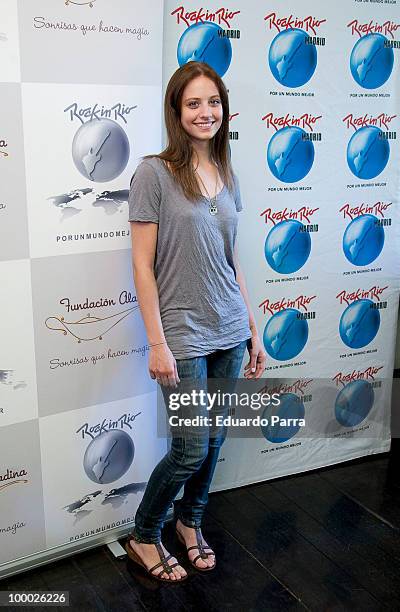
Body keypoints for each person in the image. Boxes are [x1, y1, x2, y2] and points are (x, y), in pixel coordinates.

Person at [126, 61, 266, 582]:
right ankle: (144, 533)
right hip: (182, 331)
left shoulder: (228, 172)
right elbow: (142, 264)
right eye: (193, 103)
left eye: (213, 102)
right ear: (176, 111)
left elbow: (232, 259)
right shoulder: (152, 173)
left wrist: (252, 328)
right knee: (189, 448)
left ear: (224, 109)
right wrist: (156, 341)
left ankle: (190, 522)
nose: (205, 112)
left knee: (217, 438)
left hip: (230, 326)